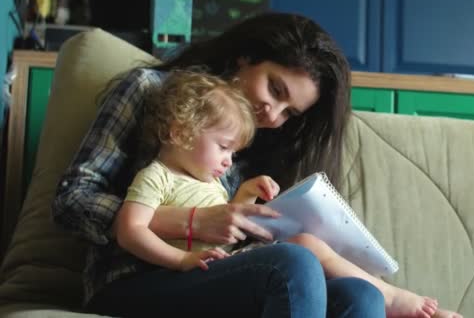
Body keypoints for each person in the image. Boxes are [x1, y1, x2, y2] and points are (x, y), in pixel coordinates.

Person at [52, 12, 462, 318]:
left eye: (289, 112)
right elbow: (73, 200)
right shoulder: (151, 93)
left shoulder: (262, 147)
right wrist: (191, 221)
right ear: (245, 58)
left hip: (220, 278)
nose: (273, 114)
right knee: (294, 263)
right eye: (275, 89)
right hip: (132, 280)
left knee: (361, 296)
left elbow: (243, 251)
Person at [116, 70, 444, 318]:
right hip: (161, 278)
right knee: (296, 257)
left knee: (361, 295)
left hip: (210, 275)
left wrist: (243, 200)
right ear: (179, 132)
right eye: (224, 147)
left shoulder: (212, 184)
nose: (229, 161)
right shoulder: (157, 176)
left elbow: (222, 244)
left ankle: (382, 296)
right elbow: (130, 231)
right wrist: (183, 258)